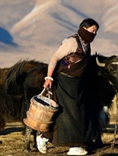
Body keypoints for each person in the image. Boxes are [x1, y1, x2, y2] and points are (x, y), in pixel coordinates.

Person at [36, 18, 99, 155]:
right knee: (71, 113)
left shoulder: (86, 44)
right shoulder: (71, 42)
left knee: (79, 112)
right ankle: (74, 146)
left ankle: (45, 136)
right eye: (92, 30)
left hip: (77, 83)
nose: (94, 33)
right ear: (83, 28)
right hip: (63, 82)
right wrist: (49, 77)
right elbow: (55, 58)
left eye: (96, 31)